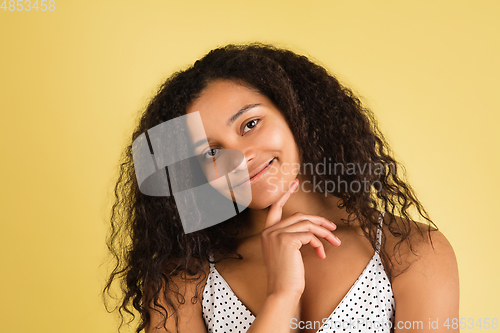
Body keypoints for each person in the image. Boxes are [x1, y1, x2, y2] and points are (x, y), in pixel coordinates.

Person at [103, 42, 459, 333]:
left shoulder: (410, 253)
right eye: (211, 151)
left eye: (250, 123)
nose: (239, 157)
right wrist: (281, 296)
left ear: (296, 114)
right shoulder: (182, 282)